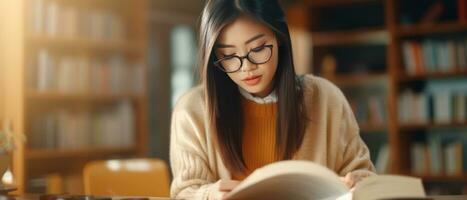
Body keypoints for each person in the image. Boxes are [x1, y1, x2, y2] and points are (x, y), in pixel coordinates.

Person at [170, 0, 375, 199]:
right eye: (229, 56)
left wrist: (356, 185)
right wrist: (209, 195)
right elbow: (184, 192)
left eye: (258, 49)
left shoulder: (326, 99)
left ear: (280, 39)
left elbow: (366, 179)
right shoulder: (192, 110)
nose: (246, 67)